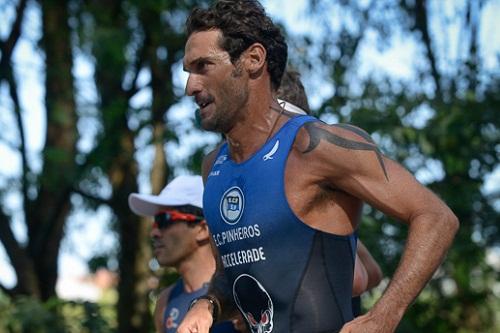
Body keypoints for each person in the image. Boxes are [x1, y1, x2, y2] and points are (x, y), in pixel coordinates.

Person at [179, 1, 459, 332]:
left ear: (253, 59)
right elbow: (231, 275)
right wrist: (207, 304)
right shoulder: (214, 167)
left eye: (204, 66)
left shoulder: (315, 146)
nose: (190, 87)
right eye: (188, 72)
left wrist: (384, 315)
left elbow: (437, 217)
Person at [128, 175, 241, 333]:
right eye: (154, 222)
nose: (154, 232)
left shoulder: (242, 292)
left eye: (164, 219)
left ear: (203, 229)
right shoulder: (165, 301)